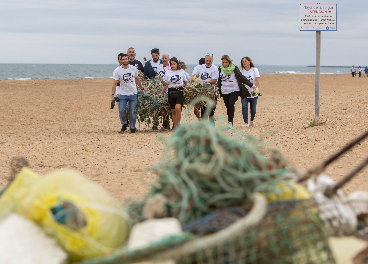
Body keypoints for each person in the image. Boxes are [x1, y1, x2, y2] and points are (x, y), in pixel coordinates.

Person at [111, 53, 143, 133]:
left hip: (133, 93)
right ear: (121, 60)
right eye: (123, 59)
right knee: (121, 110)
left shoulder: (133, 68)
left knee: (133, 111)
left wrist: (141, 88)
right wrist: (112, 95)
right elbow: (115, 83)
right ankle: (124, 124)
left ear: (128, 59)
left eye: (126, 59)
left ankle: (132, 127)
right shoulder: (117, 71)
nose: (125, 60)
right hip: (122, 93)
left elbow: (137, 79)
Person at [217, 55, 253, 126]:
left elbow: (241, 77)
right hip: (224, 90)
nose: (224, 64)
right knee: (228, 106)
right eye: (223, 62)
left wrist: (251, 85)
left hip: (234, 89)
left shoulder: (234, 68)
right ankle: (230, 121)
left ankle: (230, 122)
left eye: (226, 62)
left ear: (229, 62)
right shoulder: (220, 69)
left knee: (231, 103)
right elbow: (218, 80)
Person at [160, 57, 188, 129]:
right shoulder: (168, 72)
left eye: (174, 64)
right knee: (173, 111)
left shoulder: (181, 71)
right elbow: (165, 84)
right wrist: (161, 92)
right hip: (171, 91)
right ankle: (175, 126)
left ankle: (178, 125)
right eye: (171, 64)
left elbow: (186, 81)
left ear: (177, 64)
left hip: (180, 90)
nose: (173, 65)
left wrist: (189, 87)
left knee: (178, 108)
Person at [192, 54, 219, 121]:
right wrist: (195, 79)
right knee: (203, 109)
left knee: (211, 110)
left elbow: (215, 80)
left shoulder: (215, 68)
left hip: (211, 91)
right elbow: (196, 75)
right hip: (202, 91)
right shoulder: (201, 67)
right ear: (205, 60)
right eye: (207, 60)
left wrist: (206, 83)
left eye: (210, 61)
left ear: (212, 60)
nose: (208, 62)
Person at [240, 56, 260, 127]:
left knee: (253, 108)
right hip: (244, 93)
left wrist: (255, 88)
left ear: (249, 62)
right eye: (243, 62)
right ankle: (246, 122)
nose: (244, 62)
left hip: (253, 92)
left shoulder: (254, 70)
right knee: (244, 106)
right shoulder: (242, 71)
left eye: (245, 61)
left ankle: (252, 121)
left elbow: (257, 80)